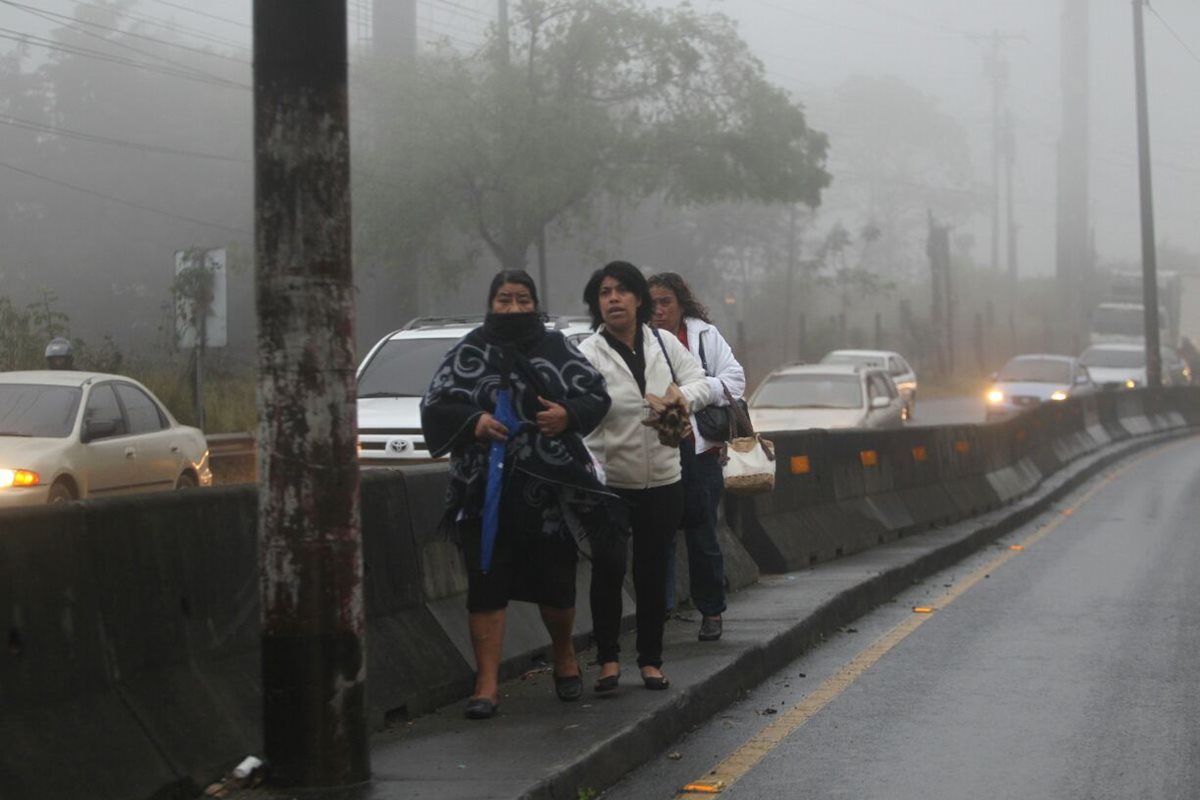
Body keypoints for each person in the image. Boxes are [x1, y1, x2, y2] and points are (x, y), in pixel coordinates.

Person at [420, 270, 620, 720]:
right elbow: (435, 404)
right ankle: (486, 684)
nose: (513, 308)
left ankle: (564, 656)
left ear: (535, 303)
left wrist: (566, 415)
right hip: (483, 493)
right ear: (491, 304)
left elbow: (595, 395)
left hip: (548, 493)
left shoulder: (556, 348)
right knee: (486, 583)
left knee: (556, 584)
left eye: (522, 300)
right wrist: (474, 421)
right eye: (504, 300)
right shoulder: (470, 349)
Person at [578, 261, 712, 692]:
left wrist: (679, 397)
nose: (613, 299)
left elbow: (704, 383)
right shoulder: (587, 353)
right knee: (610, 568)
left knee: (653, 572)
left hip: (665, 480)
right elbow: (579, 412)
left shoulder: (663, 343)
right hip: (609, 482)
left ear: (638, 299)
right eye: (604, 293)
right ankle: (608, 661)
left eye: (621, 290)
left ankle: (651, 661)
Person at [648, 272, 745, 643]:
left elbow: (734, 380)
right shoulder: (639, 341)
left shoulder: (703, 336)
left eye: (665, 302)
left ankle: (711, 610)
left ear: (680, 303)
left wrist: (688, 396)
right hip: (655, 451)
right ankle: (662, 610)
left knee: (703, 533)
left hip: (699, 451)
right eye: (651, 303)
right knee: (658, 536)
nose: (658, 311)